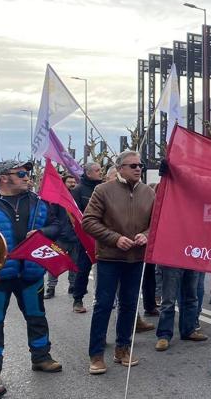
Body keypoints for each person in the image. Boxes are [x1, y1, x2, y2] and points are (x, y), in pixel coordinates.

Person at [0, 161, 63, 388]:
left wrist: (43, 232)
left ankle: (41, 357)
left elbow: (57, 226)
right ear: (4, 177)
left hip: (30, 272)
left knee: (36, 317)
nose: (28, 177)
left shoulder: (39, 202)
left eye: (28, 174)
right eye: (22, 174)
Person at [83, 151, 155, 374]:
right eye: (132, 165)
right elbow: (88, 221)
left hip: (136, 259)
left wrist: (147, 234)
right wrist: (115, 238)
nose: (138, 168)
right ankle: (96, 355)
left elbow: (158, 224)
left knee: (130, 305)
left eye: (140, 165)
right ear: (120, 168)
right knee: (103, 305)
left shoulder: (148, 192)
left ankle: (123, 348)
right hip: (109, 258)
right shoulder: (103, 190)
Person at [70, 163, 102, 313]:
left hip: (102, 234)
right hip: (85, 236)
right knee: (83, 268)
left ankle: (104, 298)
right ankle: (78, 299)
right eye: (97, 170)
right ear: (88, 173)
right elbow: (72, 213)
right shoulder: (78, 190)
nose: (100, 172)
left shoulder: (102, 188)